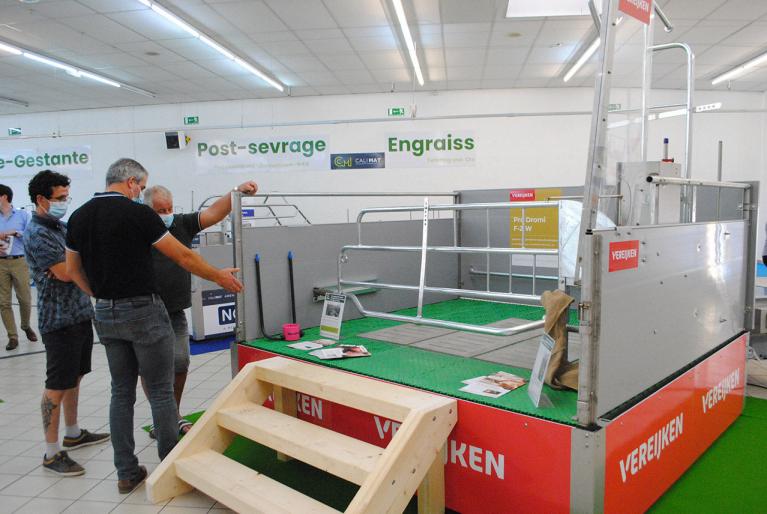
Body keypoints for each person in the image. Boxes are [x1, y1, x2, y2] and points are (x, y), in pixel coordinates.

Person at [65, 158, 242, 494]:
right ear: (132, 182)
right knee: (161, 392)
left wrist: (101, 296)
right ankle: (170, 467)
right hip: (144, 310)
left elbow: (73, 270)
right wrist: (217, 275)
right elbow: (183, 256)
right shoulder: (138, 213)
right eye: (141, 187)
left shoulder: (79, 216)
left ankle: (126, 472)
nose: (141, 191)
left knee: (121, 393)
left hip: (105, 314)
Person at [143, 180, 257, 438]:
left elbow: (214, 213)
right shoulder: (141, 228)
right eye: (160, 210)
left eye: (169, 208)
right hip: (147, 310)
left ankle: (171, 413)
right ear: (148, 210)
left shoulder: (181, 223)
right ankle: (164, 418)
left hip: (174, 309)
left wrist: (235, 191)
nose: (166, 214)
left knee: (180, 361)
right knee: (152, 367)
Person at [25, 170, 110, 476]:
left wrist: (75, 264)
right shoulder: (36, 234)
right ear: (41, 200)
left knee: (75, 377)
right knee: (56, 386)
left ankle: (73, 433)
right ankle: (51, 453)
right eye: (59, 198)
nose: (64, 203)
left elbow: (75, 262)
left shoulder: (60, 226)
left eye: (66, 197)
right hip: (57, 320)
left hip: (79, 314)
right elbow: (65, 272)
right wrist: (75, 265)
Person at [0, 184, 37, 350]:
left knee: (24, 298)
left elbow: (31, 234)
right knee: (4, 302)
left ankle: (25, 325)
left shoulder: (23, 215)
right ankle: (12, 336)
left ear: (4, 197)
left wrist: (16, 232)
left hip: (19, 261)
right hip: (1, 262)